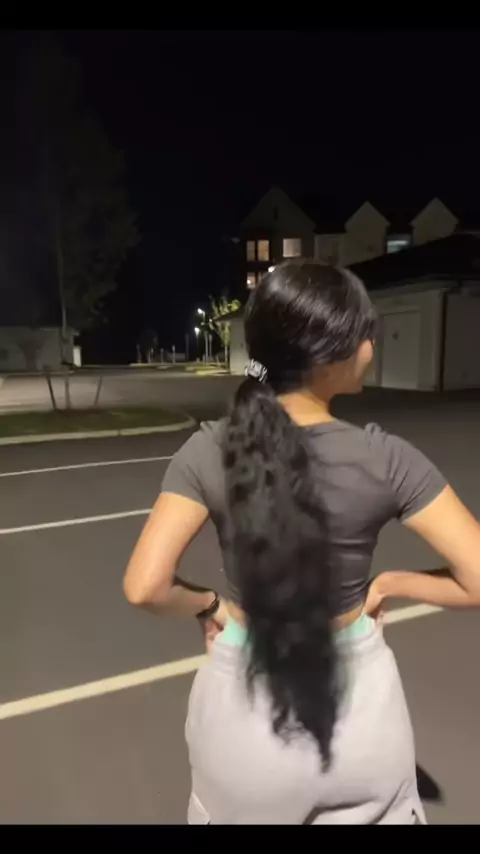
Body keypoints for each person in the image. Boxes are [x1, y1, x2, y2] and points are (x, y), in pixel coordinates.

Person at [123, 260, 480, 825]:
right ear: (331, 355)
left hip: (243, 715)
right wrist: (392, 584)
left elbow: (145, 586)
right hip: (361, 714)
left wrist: (210, 605)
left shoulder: (207, 449)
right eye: (366, 334)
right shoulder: (387, 458)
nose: (371, 347)